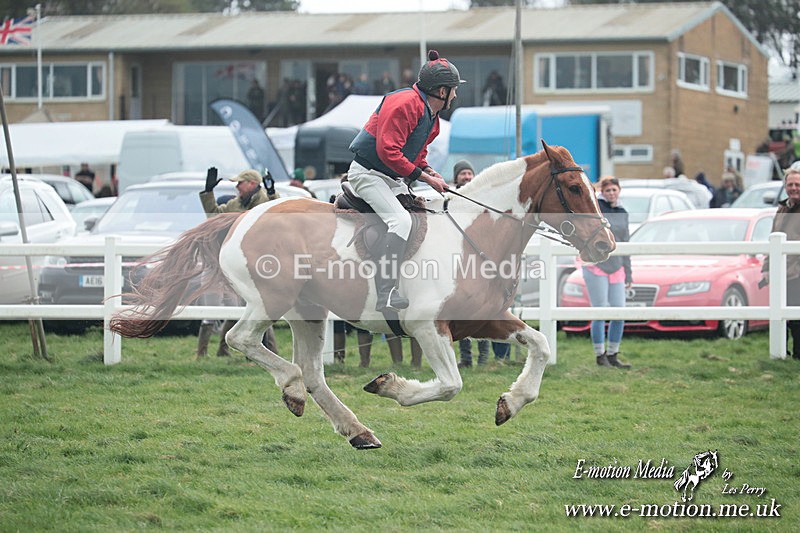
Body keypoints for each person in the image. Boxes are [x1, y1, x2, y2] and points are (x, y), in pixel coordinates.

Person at [348, 49, 461, 312]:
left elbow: (416, 153)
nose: (456, 95)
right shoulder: (405, 104)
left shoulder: (432, 119)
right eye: (453, 90)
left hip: (388, 177)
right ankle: (385, 293)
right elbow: (388, 151)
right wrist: (423, 177)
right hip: (367, 174)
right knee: (399, 221)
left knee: (426, 212)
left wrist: (428, 170)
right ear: (442, 92)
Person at [196, 167, 280, 357]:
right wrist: (208, 193)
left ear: (252, 184)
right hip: (240, 264)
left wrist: (273, 192)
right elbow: (215, 215)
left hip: (261, 263)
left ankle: (269, 351)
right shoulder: (236, 204)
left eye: (240, 183)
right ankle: (222, 350)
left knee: (260, 307)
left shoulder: (266, 202)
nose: (237, 187)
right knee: (246, 307)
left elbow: (279, 213)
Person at [583, 176, 632, 368]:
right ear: (602, 192)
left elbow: (626, 242)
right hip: (597, 266)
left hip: (617, 266)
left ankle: (613, 353)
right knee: (600, 310)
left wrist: (629, 273)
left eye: (614, 190)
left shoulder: (623, 212)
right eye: (608, 190)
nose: (611, 193)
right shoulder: (597, 209)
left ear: (619, 190)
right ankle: (599, 354)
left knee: (619, 312)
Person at [761, 162, 800, 359]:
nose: (793, 188)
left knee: (796, 318)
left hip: (796, 274)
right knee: (777, 317)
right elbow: (773, 239)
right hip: (780, 273)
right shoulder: (782, 209)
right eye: (790, 184)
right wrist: (766, 268)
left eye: (797, 184)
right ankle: (780, 355)